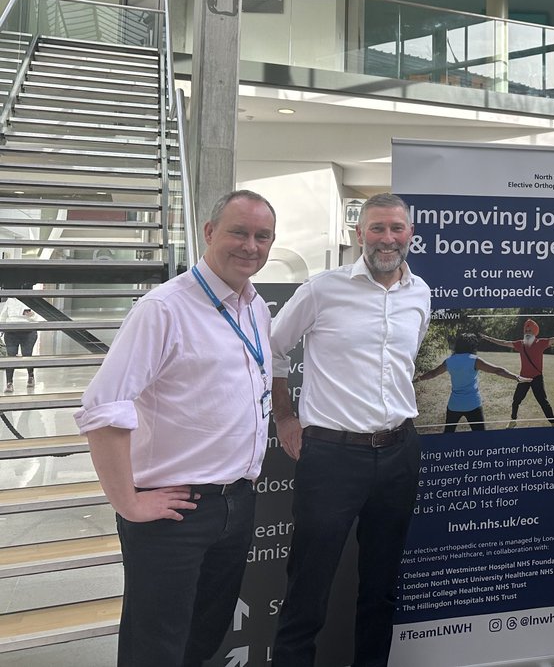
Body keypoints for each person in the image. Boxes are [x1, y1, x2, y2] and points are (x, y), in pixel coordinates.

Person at [74, 189, 277, 667]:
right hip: (175, 512)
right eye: (238, 232)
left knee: (202, 641)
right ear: (209, 233)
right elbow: (102, 405)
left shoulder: (256, 307)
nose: (251, 245)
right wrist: (127, 501)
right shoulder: (164, 308)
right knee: (156, 649)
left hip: (236, 502)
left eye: (262, 236)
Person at [270, 193, 430, 667]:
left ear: (410, 235)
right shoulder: (323, 289)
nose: (387, 238)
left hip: (400, 451)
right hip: (332, 458)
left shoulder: (420, 293)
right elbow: (273, 349)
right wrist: (284, 416)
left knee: (381, 589)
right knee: (308, 590)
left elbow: (406, 360)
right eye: (377, 228)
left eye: (396, 228)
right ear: (359, 234)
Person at [416, 331, 524, 431]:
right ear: (472, 346)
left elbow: (433, 373)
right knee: (481, 438)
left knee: (448, 436)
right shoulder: (475, 360)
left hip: (455, 404)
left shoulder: (449, 361)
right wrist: (517, 377)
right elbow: (498, 371)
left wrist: (418, 379)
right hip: (473, 404)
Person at [481, 318, 554, 427]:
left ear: (534, 332)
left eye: (530, 330)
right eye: (526, 330)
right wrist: (488, 338)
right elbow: (504, 343)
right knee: (516, 401)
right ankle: (513, 421)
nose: (527, 332)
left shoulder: (541, 343)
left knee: (543, 402)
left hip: (537, 377)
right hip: (523, 378)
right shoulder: (520, 344)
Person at [2, 295, 39, 392]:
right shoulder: (10, 300)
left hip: (28, 332)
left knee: (27, 354)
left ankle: (30, 376)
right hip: (11, 332)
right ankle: (9, 383)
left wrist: (32, 315)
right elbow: (3, 316)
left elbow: (38, 319)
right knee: (11, 356)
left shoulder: (30, 300)